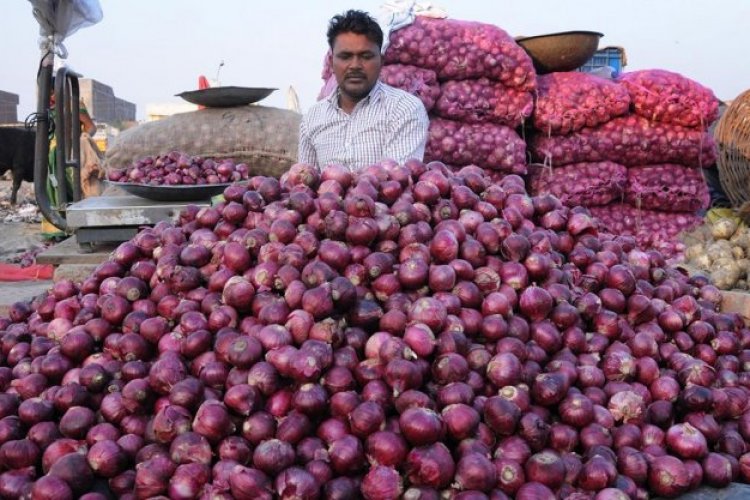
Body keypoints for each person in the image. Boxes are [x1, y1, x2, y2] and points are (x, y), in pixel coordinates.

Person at [299, 9, 429, 171]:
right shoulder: (312, 118)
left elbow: (397, 182)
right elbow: (305, 183)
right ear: (332, 62)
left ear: (381, 61)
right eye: (345, 56)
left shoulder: (404, 108)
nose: (355, 66)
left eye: (366, 56)